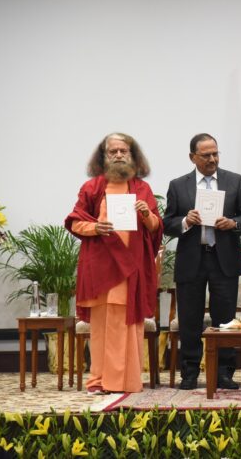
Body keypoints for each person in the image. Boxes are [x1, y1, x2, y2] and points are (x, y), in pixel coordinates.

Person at [65, 133, 163, 394]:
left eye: (124, 151)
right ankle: (98, 380)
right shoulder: (92, 188)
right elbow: (75, 222)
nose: (119, 155)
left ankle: (126, 381)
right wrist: (96, 227)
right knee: (101, 328)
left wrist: (146, 213)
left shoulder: (142, 188)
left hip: (131, 268)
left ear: (133, 156)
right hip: (101, 268)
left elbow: (155, 227)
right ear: (104, 156)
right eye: (113, 151)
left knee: (127, 326)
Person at [163, 133, 241, 390]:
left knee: (224, 319)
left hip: (223, 258)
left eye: (215, 153)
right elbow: (168, 223)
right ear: (193, 157)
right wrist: (185, 221)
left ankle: (224, 372)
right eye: (206, 155)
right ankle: (189, 373)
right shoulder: (178, 185)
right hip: (192, 259)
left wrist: (233, 223)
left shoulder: (234, 181)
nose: (212, 159)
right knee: (190, 319)